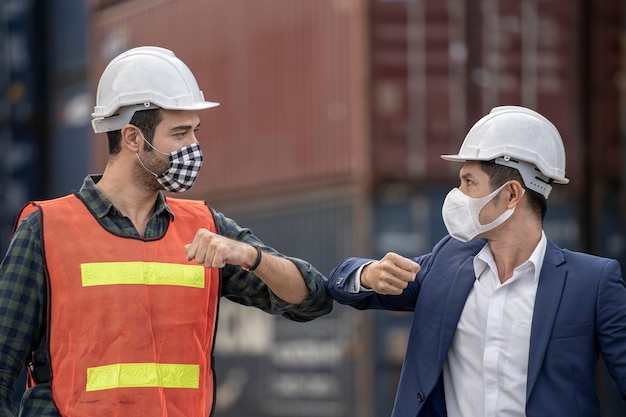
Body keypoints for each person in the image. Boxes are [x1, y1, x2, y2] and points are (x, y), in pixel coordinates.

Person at [0, 46, 333, 417]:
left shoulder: (207, 228)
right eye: (179, 133)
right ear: (131, 139)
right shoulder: (46, 230)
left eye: (195, 132)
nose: (193, 148)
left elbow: (312, 299)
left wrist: (251, 257)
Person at [327, 106, 626, 417]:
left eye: (469, 183)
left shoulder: (594, 283)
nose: (458, 195)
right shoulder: (446, 264)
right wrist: (368, 273)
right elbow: (340, 285)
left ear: (512, 194)